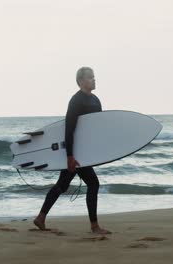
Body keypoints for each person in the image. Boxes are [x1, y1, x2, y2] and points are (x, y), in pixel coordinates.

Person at [33, 67, 111, 235]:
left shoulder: (96, 100)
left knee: (63, 184)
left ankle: (41, 217)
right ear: (81, 81)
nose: (94, 80)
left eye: (94, 77)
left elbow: (95, 130)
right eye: (90, 77)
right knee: (93, 184)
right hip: (75, 153)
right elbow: (69, 129)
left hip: (84, 153)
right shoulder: (76, 101)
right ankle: (94, 226)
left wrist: (98, 153)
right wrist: (70, 156)